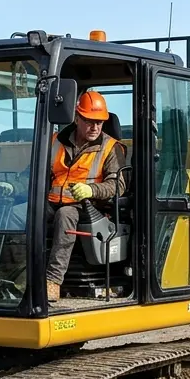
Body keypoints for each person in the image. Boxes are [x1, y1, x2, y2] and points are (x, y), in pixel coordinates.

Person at [45, 90, 127, 302]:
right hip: (51, 201)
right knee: (19, 214)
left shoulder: (110, 148)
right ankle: (13, 275)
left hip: (89, 207)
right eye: (89, 121)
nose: (95, 127)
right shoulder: (55, 141)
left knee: (65, 216)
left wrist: (91, 190)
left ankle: (52, 282)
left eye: (99, 122)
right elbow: (37, 173)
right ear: (77, 117)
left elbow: (118, 185)